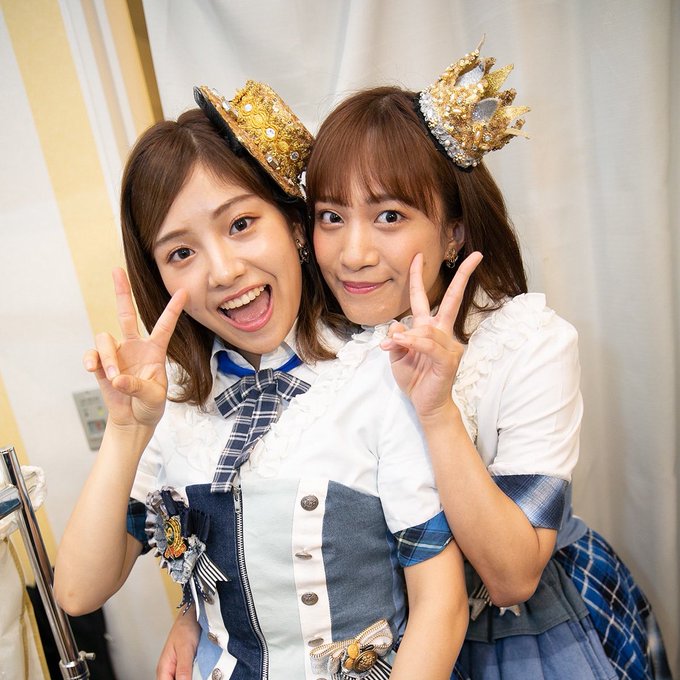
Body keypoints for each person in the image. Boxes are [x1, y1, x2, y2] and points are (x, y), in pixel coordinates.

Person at [159, 43, 672, 680]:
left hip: (516, 634)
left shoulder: (525, 343)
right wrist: (201, 612)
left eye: (390, 216)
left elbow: (512, 576)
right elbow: (263, 501)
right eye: (331, 216)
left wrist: (437, 413)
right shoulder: (314, 336)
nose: (353, 253)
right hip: (383, 642)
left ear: (453, 231)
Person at [53, 81, 468, 680]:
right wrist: (125, 431)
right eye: (180, 253)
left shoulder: (382, 370)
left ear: (295, 224)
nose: (223, 271)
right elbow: (77, 592)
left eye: (242, 224)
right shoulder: (168, 399)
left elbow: (441, 605)